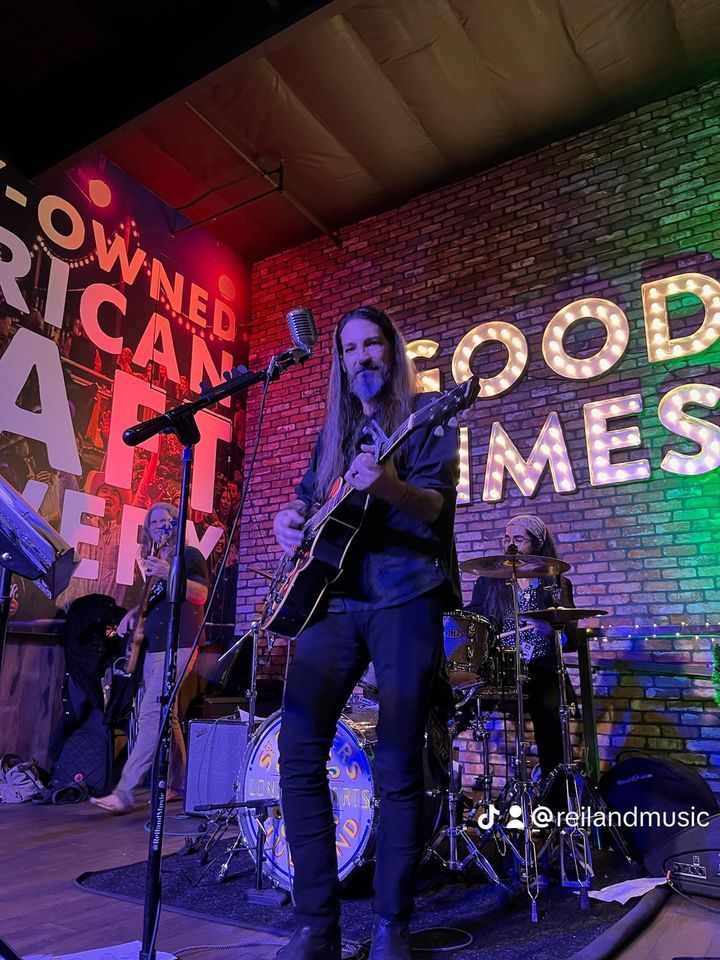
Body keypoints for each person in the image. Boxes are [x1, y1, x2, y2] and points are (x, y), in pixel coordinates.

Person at [271, 305, 460, 960]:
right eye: (349, 349)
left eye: (372, 344)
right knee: (296, 754)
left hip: (406, 591)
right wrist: (288, 521)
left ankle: (390, 928)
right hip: (332, 599)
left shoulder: (427, 414)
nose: (361, 358)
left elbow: (435, 507)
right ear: (341, 362)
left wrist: (391, 486)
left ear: (392, 350)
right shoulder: (335, 431)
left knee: (399, 762)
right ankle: (317, 927)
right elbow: (302, 498)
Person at [90, 501, 209, 813]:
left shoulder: (188, 556)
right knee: (165, 714)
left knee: (151, 713)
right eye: (152, 521)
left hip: (181, 644)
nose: (158, 525)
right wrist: (133, 615)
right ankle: (179, 782)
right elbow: (157, 602)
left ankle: (125, 791)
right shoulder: (155, 561)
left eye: (163, 519)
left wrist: (171, 571)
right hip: (155, 648)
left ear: (174, 523)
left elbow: (199, 595)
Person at [467, 514, 577, 811]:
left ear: (537, 543)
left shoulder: (555, 580)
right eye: (506, 538)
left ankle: (556, 807)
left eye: (518, 538)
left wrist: (553, 631)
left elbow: (572, 636)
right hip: (501, 668)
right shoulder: (489, 582)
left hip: (541, 666)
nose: (510, 544)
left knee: (551, 721)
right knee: (458, 708)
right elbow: (473, 621)